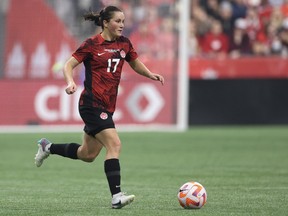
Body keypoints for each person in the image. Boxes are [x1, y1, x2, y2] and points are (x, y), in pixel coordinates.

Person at [34, 5, 164, 209]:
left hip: (107, 105)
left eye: (123, 21)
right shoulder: (91, 44)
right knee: (115, 145)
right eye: (117, 21)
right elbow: (68, 65)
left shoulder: (125, 44)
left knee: (88, 154)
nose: (121, 25)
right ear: (105, 23)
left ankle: (47, 147)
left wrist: (150, 74)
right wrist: (70, 82)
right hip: (91, 104)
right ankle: (116, 196)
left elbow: (135, 63)